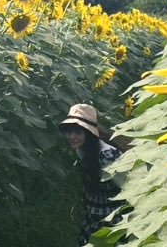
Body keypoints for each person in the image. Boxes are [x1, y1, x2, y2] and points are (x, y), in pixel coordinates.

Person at [59, 103, 125, 246]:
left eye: (77, 132)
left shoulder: (108, 157)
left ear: (88, 133)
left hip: (113, 215)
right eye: (69, 132)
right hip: (95, 212)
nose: (71, 137)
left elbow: (129, 188)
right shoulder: (82, 149)